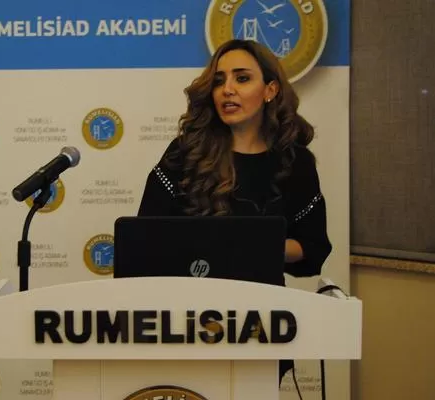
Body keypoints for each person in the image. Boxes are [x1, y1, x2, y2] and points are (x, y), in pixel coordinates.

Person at [137, 39, 333, 384]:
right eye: (219, 81)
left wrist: (254, 244)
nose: (227, 89)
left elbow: (312, 247)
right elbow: (143, 239)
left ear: (270, 90)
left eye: (242, 78)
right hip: (184, 324)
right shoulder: (184, 154)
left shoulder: (295, 162)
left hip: (259, 325)